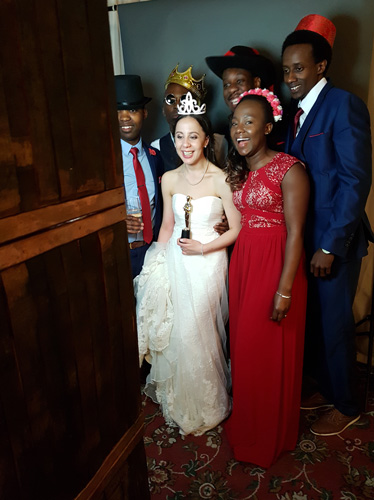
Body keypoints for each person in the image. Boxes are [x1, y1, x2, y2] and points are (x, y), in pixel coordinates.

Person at [282, 14, 373, 436]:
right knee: (316, 321)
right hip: (306, 240)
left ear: (321, 67)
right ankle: (325, 386)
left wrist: (332, 245)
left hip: (334, 241)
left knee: (336, 325)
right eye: (286, 70)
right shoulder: (296, 114)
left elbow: (355, 180)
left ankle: (347, 403)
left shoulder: (343, 105)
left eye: (299, 68)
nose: (291, 77)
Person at [134, 92, 242, 436]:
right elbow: (166, 225)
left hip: (209, 263)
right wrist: (156, 263)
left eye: (193, 136)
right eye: (179, 136)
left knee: (200, 328)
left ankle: (209, 401)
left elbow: (237, 229)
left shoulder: (222, 178)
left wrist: (205, 246)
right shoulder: (169, 179)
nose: (186, 144)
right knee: (179, 329)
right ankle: (184, 399)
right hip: (177, 261)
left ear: (207, 140)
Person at [224, 89, 310, 467]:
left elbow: (296, 232)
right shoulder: (241, 171)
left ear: (268, 127)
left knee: (267, 352)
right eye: (234, 121)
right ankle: (247, 422)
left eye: (248, 121)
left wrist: (285, 290)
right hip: (243, 262)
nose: (238, 129)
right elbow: (242, 217)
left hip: (276, 266)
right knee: (244, 350)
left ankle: (269, 435)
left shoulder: (290, 168)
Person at [115, 74, 164, 278]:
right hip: (120, 254)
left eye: (132, 109)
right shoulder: (106, 162)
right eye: (118, 110)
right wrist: (117, 222)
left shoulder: (155, 157)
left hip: (153, 251)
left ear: (144, 113)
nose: (124, 117)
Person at [151, 64, 207, 171]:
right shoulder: (156, 147)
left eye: (184, 99)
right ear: (163, 109)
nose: (177, 105)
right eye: (170, 100)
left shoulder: (218, 143)